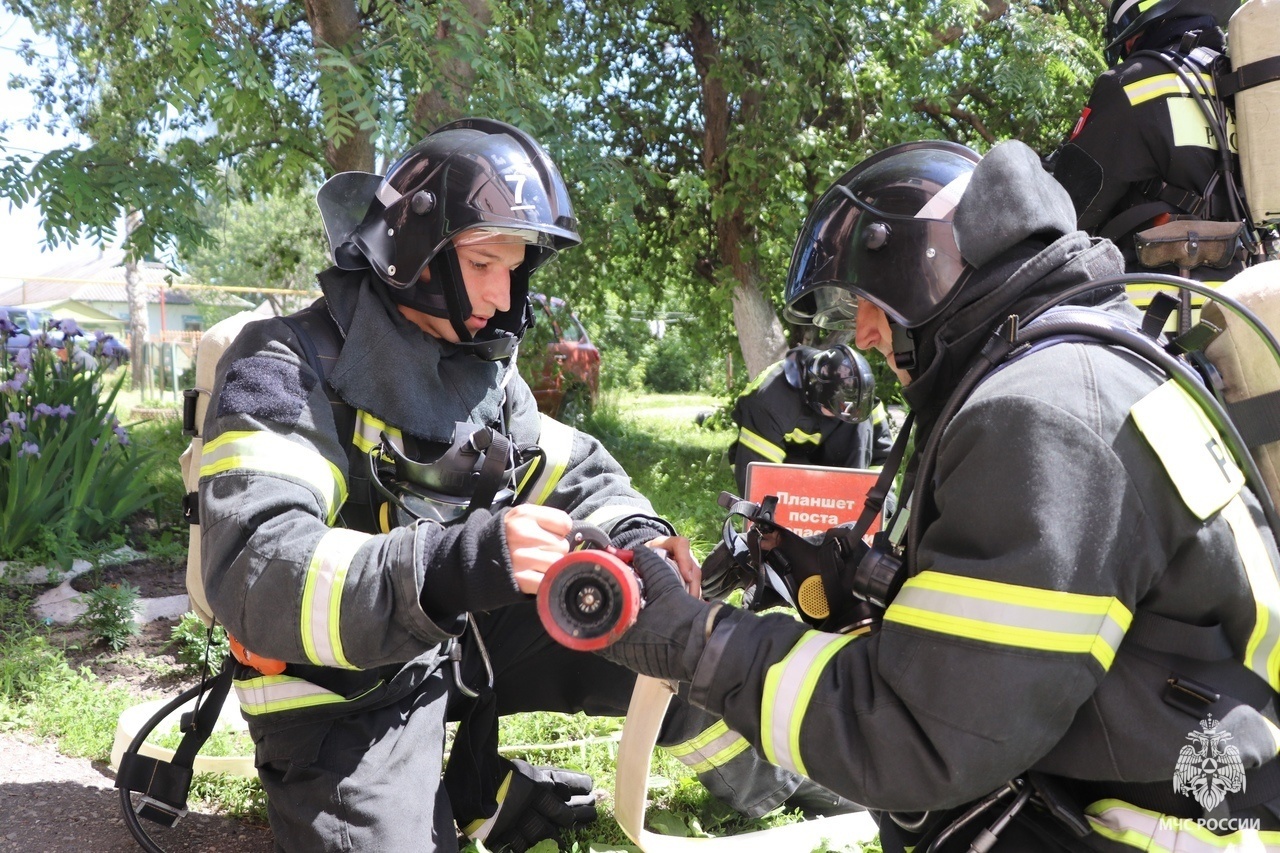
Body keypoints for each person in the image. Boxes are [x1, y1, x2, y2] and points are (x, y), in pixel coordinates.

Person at [598, 138, 1280, 851]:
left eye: (870, 301)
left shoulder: (1040, 418)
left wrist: (698, 643)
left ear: (930, 276)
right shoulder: (1086, 363)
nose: (861, 333)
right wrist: (852, 590)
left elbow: (916, 733)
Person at [196, 117, 845, 853]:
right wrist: (456, 564)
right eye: (481, 264)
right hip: (336, 683)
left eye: (513, 266)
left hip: (461, 633)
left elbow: (576, 471)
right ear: (412, 251)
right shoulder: (284, 365)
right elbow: (257, 567)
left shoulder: (480, 366)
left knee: (645, 613)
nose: (502, 294)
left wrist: (636, 538)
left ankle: (791, 774)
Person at [1050, 0, 1247, 280]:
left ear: (1133, 34)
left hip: (1155, 306)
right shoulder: (1240, 86)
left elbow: (1069, 210)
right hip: (1247, 297)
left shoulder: (1131, 83)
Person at [728, 343, 893, 495]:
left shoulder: (858, 399)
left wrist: (880, 503)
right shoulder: (770, 401)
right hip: (787, 464)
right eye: (834, 409)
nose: (839, 417)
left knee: (858, 426)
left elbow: (882, 458)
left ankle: (850, 496)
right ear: (816, 394)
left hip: (834, 462)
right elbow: (759, 481)